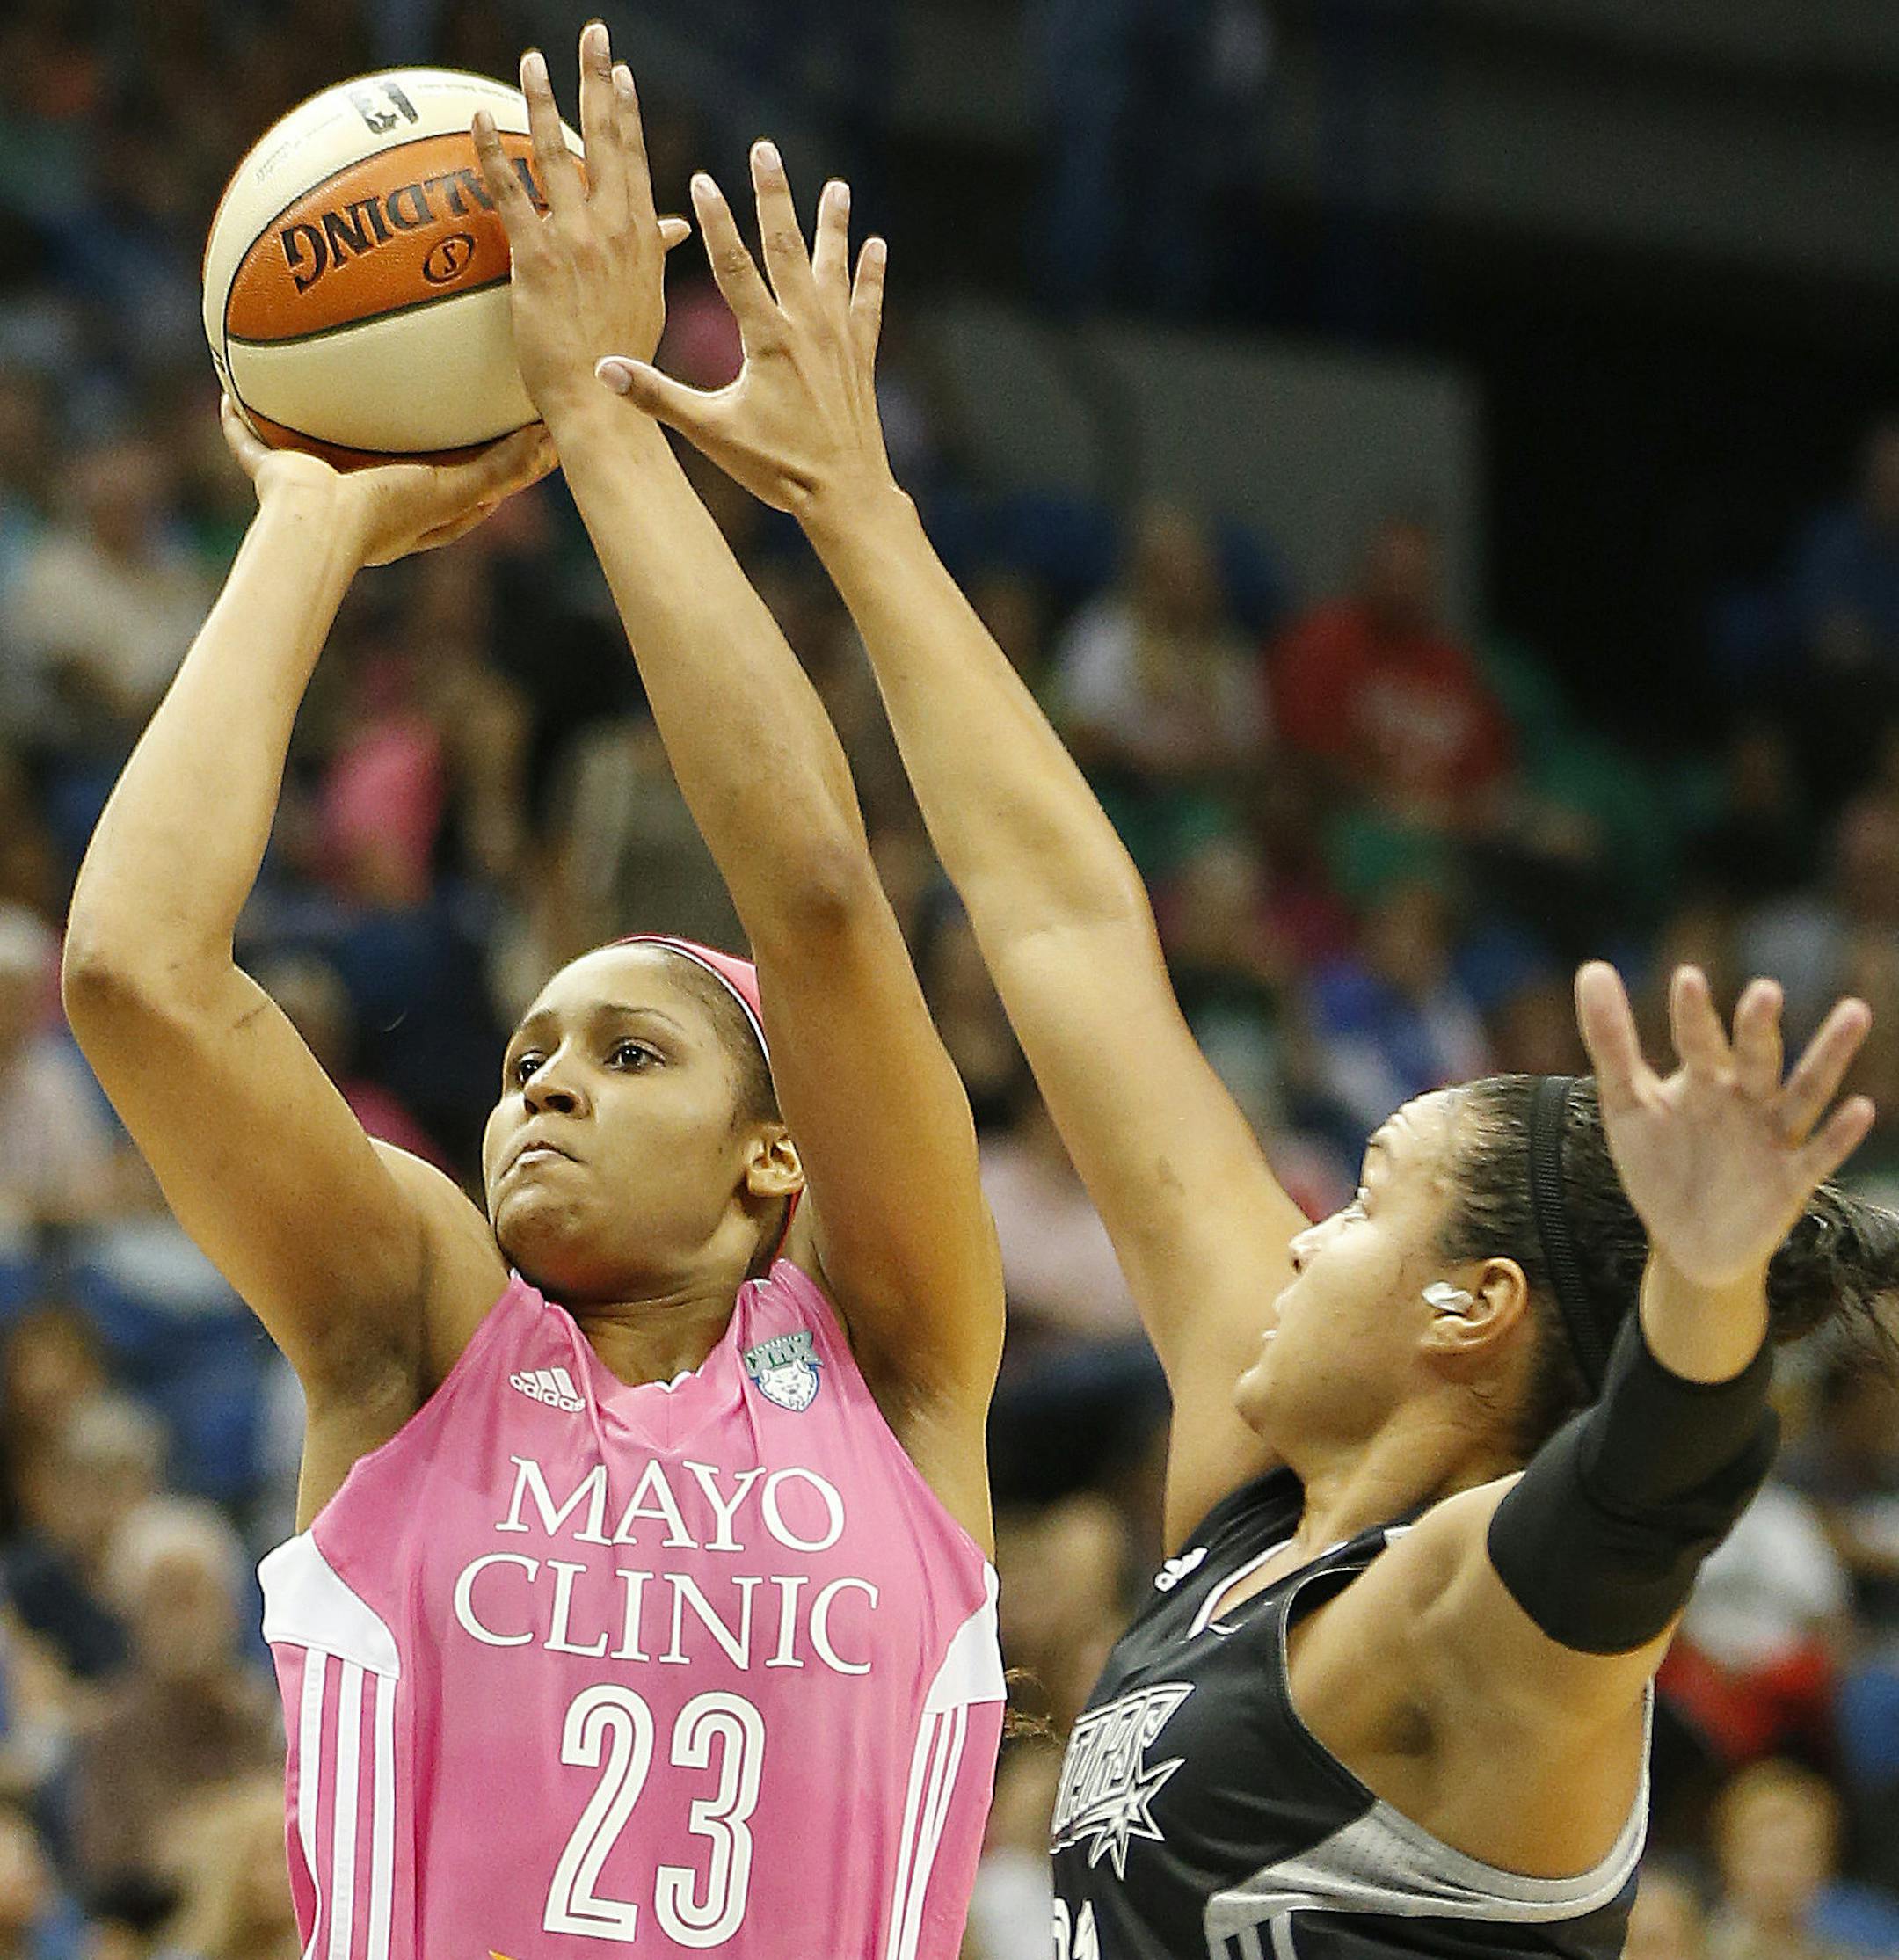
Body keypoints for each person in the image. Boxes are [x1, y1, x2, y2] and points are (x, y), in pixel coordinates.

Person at [599, 149, 1899, 1956]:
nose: (1300, 1229)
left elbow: (1654, 1488)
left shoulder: (1469, 1621)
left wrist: (1703, 1282)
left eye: (1366, 1204)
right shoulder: (1259, 1474)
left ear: (1472, 1307)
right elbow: (1065, 932)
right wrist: (858, 508)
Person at [62, 29, 1007, 1960]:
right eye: (521, 1055)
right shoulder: (414, 1328)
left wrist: (603, 413)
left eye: (628, 1047)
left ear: (773, 1165)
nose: (541, 1087)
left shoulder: (898, 1362)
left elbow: (820, 893)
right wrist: (309, 521)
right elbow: (137, 978)